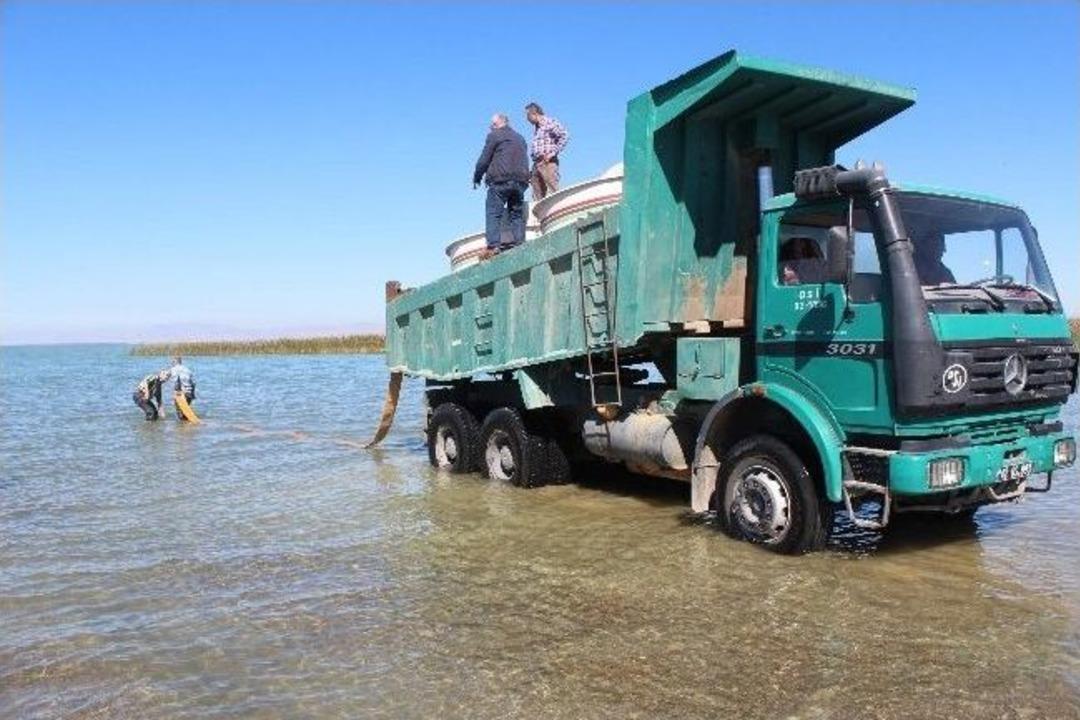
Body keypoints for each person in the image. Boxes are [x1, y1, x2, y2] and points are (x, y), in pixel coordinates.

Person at [473, 113, 530, 259]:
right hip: (520, 181)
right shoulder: (520, 138)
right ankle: (520, 243)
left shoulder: (494, 135)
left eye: (492, 125)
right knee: (516, 214)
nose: (490, 128)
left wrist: (477, 177)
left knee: (493, 213)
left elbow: (484, 159)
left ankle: (493, 246)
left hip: (500, 181)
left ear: (497, 124)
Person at [525, 102, 569, 200]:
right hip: (537, 163)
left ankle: (559, 206)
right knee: (537, 192)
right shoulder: (537, 128)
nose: (527, 119)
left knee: (553, 189)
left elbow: (564, 135)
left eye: (527, 116)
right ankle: (541, 209)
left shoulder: (549, 122)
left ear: (534, 113)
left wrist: (552, 153)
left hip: (547, 162)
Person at [169, 355, 197, 420]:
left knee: (181, 415)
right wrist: (193, 395)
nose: (171, 364)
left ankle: (183, 425)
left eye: (172, 362)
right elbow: (193, 383)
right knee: (186, 413)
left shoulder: (173, 369)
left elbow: (176, 382)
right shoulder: (188, 370)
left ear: (175, 362)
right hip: (189, 394)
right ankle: (187, 425)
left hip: (180, 394)